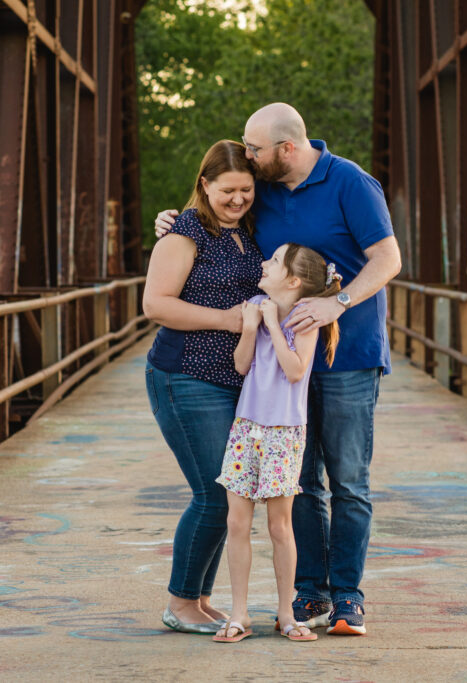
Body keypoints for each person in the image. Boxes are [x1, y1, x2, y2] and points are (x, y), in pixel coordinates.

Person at [155, 103, 402, 636]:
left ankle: (348, 597)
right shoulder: (262, 187)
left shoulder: (351, 183)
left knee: (349, 481)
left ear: (286, 148)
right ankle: (308, 594)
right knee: (301, 484)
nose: (248, 154)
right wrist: (174, 222)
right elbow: (217, 208)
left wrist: (340, 303)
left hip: (348, 354)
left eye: (255, 147)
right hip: (276, 363)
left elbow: (388, 259)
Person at [143, 139, 264, 634]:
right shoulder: (183, 233)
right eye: (227, 191)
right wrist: (226, 320)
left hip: (232, 380)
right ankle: (179, 603)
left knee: (230, 492)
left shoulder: (249, 230)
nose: (237, 199)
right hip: (184, 376)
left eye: (246, 190)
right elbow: (156, 304)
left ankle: (200, 597)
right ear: (204, 185)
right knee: (214, 493)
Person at [212, 243, 341, 644]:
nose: (263, 264)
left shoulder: (305, 318)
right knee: (237, 521)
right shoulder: (254, 304)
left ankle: (286, 614)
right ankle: (239, 614)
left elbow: (296, 370)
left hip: (284, 432)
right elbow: (241, 365)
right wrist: (251, 327)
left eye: (272, 261)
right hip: (246, 426)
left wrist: (271, 326)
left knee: (279, 525)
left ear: (293, 280)